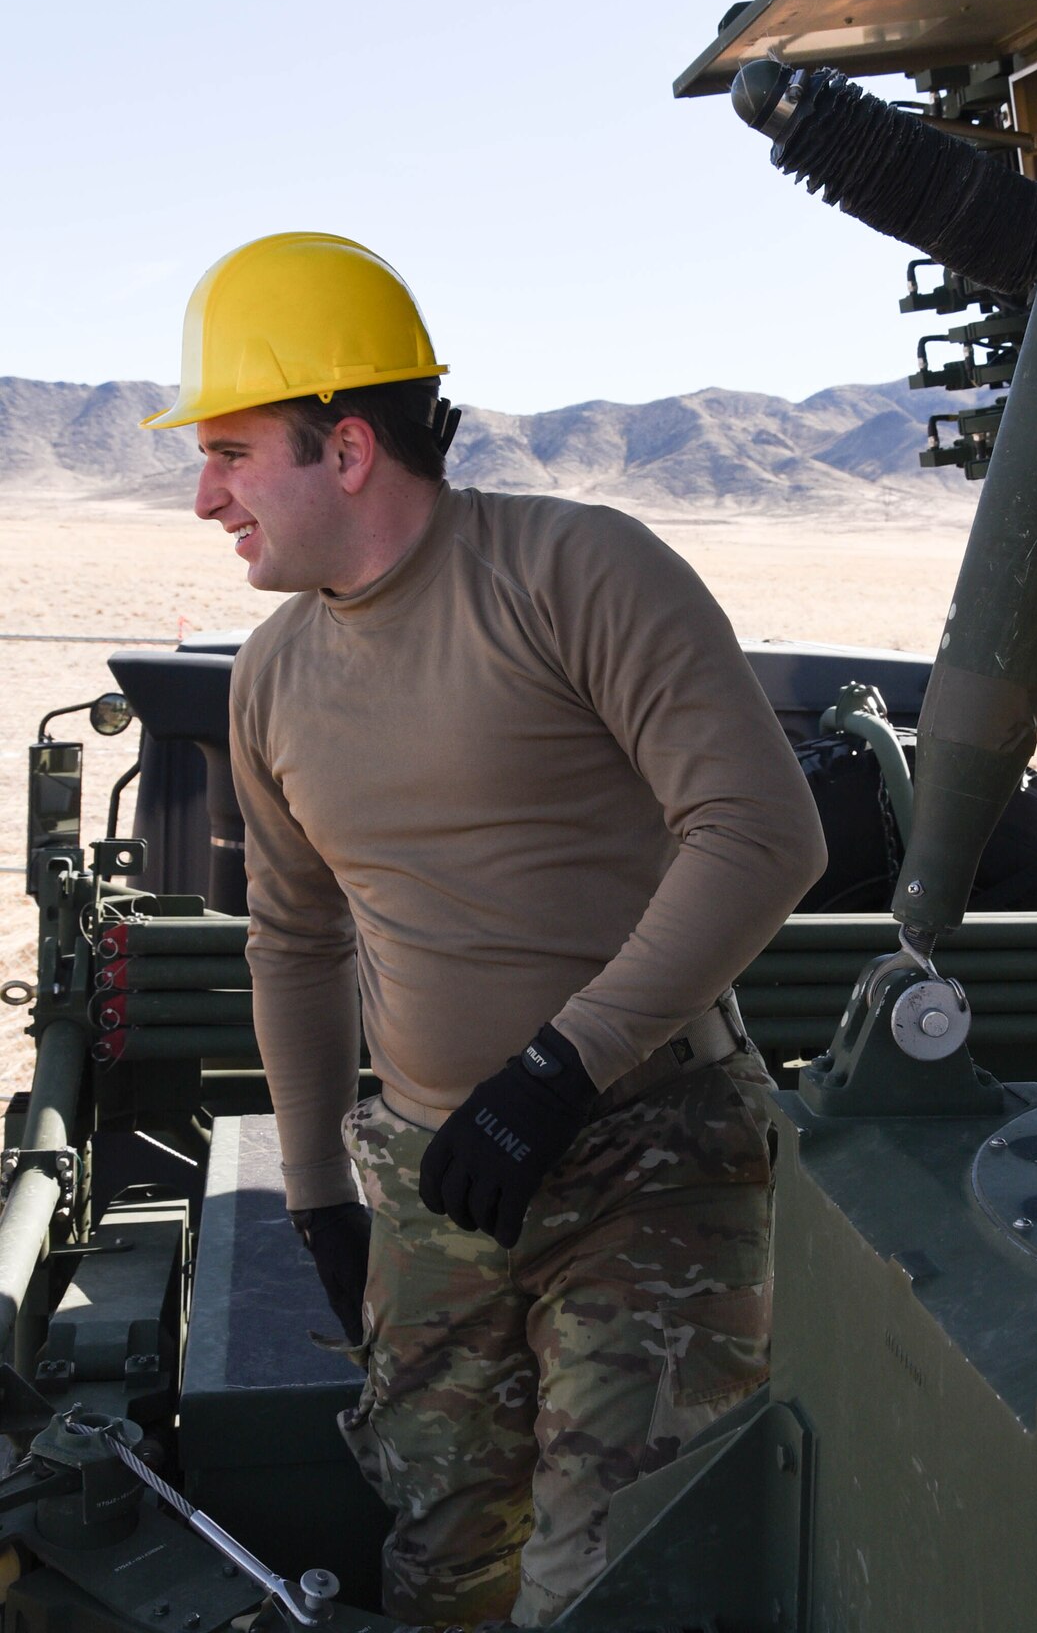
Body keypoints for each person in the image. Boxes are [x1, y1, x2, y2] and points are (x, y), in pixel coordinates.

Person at [144, 231, 826, 1629]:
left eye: (228, 452)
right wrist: (326, 1190)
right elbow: (294, 940)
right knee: (443, 1560)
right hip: (434, 1175)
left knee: (609, 1586)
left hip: (652, 1150)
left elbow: (762, 833)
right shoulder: (273, 675)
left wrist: (554, 1074)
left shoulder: (575, 570)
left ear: (344, 449)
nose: (204, 495)